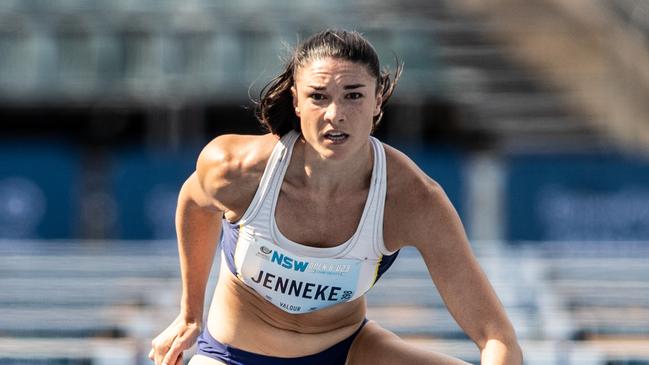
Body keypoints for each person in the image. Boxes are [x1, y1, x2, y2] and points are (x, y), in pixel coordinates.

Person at [149, 29, 522, 365]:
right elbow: (194, 202)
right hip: (233, 355)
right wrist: (189, 314)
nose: (335, 115)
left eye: (354, 96)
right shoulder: (235, 168)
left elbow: (497, 337)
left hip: (346, 350)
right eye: (318, 97)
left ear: (378, 101)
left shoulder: (413, 199)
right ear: (296, 102)